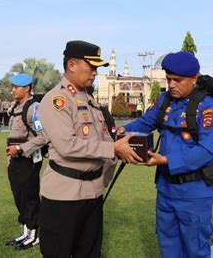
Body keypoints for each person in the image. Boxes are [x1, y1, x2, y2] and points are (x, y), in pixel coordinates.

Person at [37, 40, 140, 257]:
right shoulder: (57, 100)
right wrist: (113, 149)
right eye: (91, 67)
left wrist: (118, 141)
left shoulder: (90, 101)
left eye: (97, 68)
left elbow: (102, 139)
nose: (95, 73)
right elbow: (68, 146)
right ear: (71, 65)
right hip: (63, 196)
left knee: (90, 253)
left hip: (92, 193)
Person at [119, 51, 213, 258]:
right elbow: (145, 122)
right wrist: (122, 131)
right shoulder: (164, 101)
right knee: (168, 247)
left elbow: (205, 152)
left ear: (194, 79)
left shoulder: (208, 109)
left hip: (194, 193)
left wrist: (166, 160)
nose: (172, 85)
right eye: (168, 79)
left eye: (178, 80)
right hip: (166, 189)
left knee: (195, 250)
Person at [5, 73, 48, 250]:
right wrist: (10, 159)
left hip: (29, 159)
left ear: (27, 88)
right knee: (19, 196)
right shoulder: (15, 107)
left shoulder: (34, 109)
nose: (13, 89)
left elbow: (44, 136)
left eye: (16, 86)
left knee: (29, 196)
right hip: (15, 160)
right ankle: (25, 231)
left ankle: (35, 233)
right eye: (13, 86)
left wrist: (21, 149)